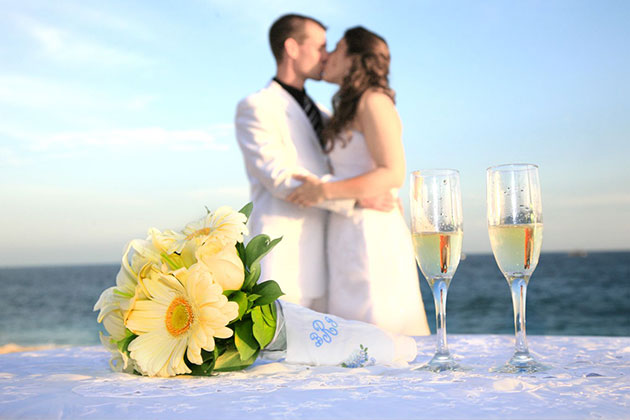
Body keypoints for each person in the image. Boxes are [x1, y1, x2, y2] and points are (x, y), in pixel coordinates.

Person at [234, 15, 393, 312]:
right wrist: (356, 196)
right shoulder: (257, 106)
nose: (327, 55)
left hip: (335, 259)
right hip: (286, 261)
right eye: (320, 47)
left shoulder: (322, 113)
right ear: (292, 48)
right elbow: (280, 178)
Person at [286, 27, 430, 336]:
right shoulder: (345, 108)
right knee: (350, 342)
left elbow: (392, 172)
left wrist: (322, 190)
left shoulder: (375, 101)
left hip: (372, 235)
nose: (329, 56)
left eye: (337, 48)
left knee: (378, 334)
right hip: (346, 232)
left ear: (355, 60)